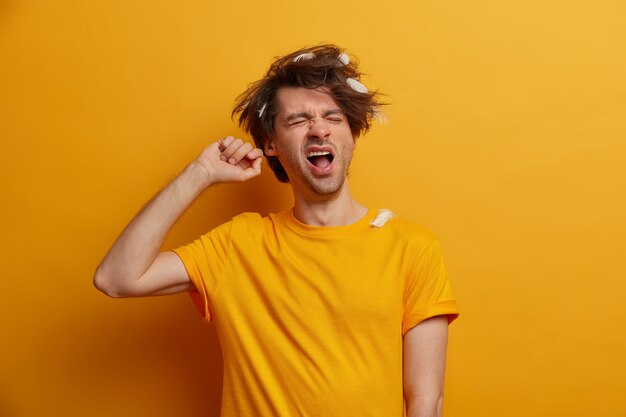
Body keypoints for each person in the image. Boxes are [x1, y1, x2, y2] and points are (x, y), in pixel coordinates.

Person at [94, 44, 459, 417]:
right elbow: (116, 278)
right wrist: (199, 175)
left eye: (333, 118)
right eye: (298, 121)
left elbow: (425, 400)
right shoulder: (238, 244)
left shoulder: (412, 247)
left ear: (352, 133)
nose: (318, 129)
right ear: (270, 144)